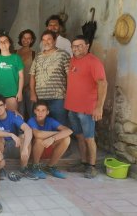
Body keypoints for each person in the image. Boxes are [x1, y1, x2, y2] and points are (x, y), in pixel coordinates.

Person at [65, 35, 107, 178]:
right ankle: (83, 163)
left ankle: (92, 166)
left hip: (87, 109)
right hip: (72, 108)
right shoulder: (72, 61)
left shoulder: (94, 62)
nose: (76, 48)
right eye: (74, 46)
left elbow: (102, 83)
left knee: (89, 138)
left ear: (87, 46)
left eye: (79, 45)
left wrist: (99, 107)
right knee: (80, 137)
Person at [0, 94, 37, 181]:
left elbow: (28, 129)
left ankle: (23, 168)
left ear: (5, 105)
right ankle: (0, 168)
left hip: (15, 147)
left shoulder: (13, 116)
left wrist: (25, 147)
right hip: (2, 149)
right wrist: (10, 134)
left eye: (0, 105)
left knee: (24, 137)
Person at [30, 30, 70, 125]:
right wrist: (32, 93)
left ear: (55, 40)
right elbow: (32, 75)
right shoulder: (38, 56)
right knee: (41, 125)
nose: (46, 42)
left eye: (49, 39)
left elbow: (69, 76)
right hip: (40, 98)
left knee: (60, 125)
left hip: (58, 98)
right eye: (44, 40)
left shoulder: (63, 54)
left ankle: (60, 140)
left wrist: (69, 93)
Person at [28, 101, 72, 179]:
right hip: (34, 152)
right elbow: (38, 134)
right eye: (38, 110)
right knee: (39, 139)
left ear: (47, 112)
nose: (40, 113)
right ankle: (35, 166)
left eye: (43, 110)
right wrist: (57, 133)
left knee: (66, 139)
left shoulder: (50, 120)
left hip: (48, 148)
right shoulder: (31, 120)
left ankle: (50, 167)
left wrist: (53, 138)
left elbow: (69, 131)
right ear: (35, 111)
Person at [0, 34, 24, 112]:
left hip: (12, 93)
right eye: (0, 42)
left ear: (10, 43)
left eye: (5, 41)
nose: (3, 43)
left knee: (12, 116)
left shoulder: (16, 58)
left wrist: (20, 92)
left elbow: (21, 76)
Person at [17, 29, 37, 119]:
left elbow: (37, 72)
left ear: (32, 40)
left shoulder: (34, 54)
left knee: (32, 112)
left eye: (29, 38)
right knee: (20, 112)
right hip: (17, 88)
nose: (26, 40)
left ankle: (33, 131)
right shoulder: (14, 53)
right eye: (24, 38)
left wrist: (31, 87)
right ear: (20, 39)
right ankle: (21, 132)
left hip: (30, 88)